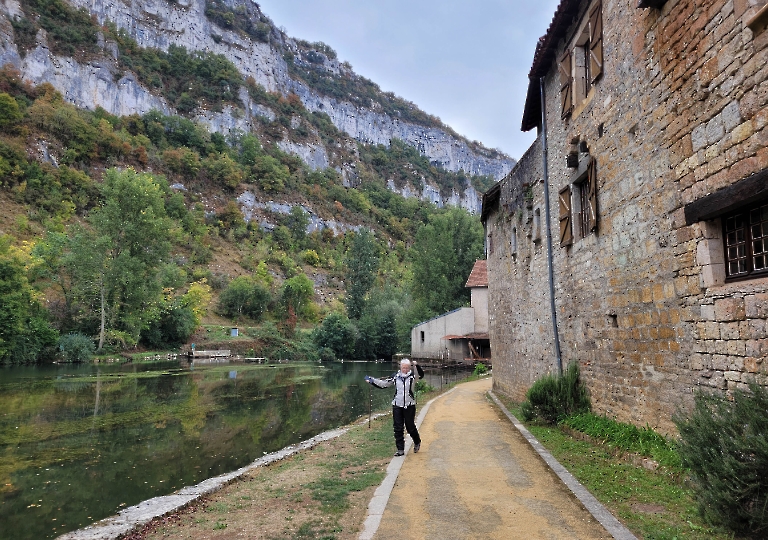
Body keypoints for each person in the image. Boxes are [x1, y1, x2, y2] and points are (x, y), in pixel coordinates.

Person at [365, 358, 424, 456]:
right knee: (398, 427)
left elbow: (421, 374)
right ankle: (400, 449)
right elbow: (384, 384)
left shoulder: (413, 377)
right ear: (400, 367)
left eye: (406, 368)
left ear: (409, 368)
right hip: (397, 405)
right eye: (403, 367)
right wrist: (371, 380)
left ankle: (417, 441)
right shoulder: (395, 377)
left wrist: (416, 365)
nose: (404, 369)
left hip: (409, 405)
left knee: (410, 427)